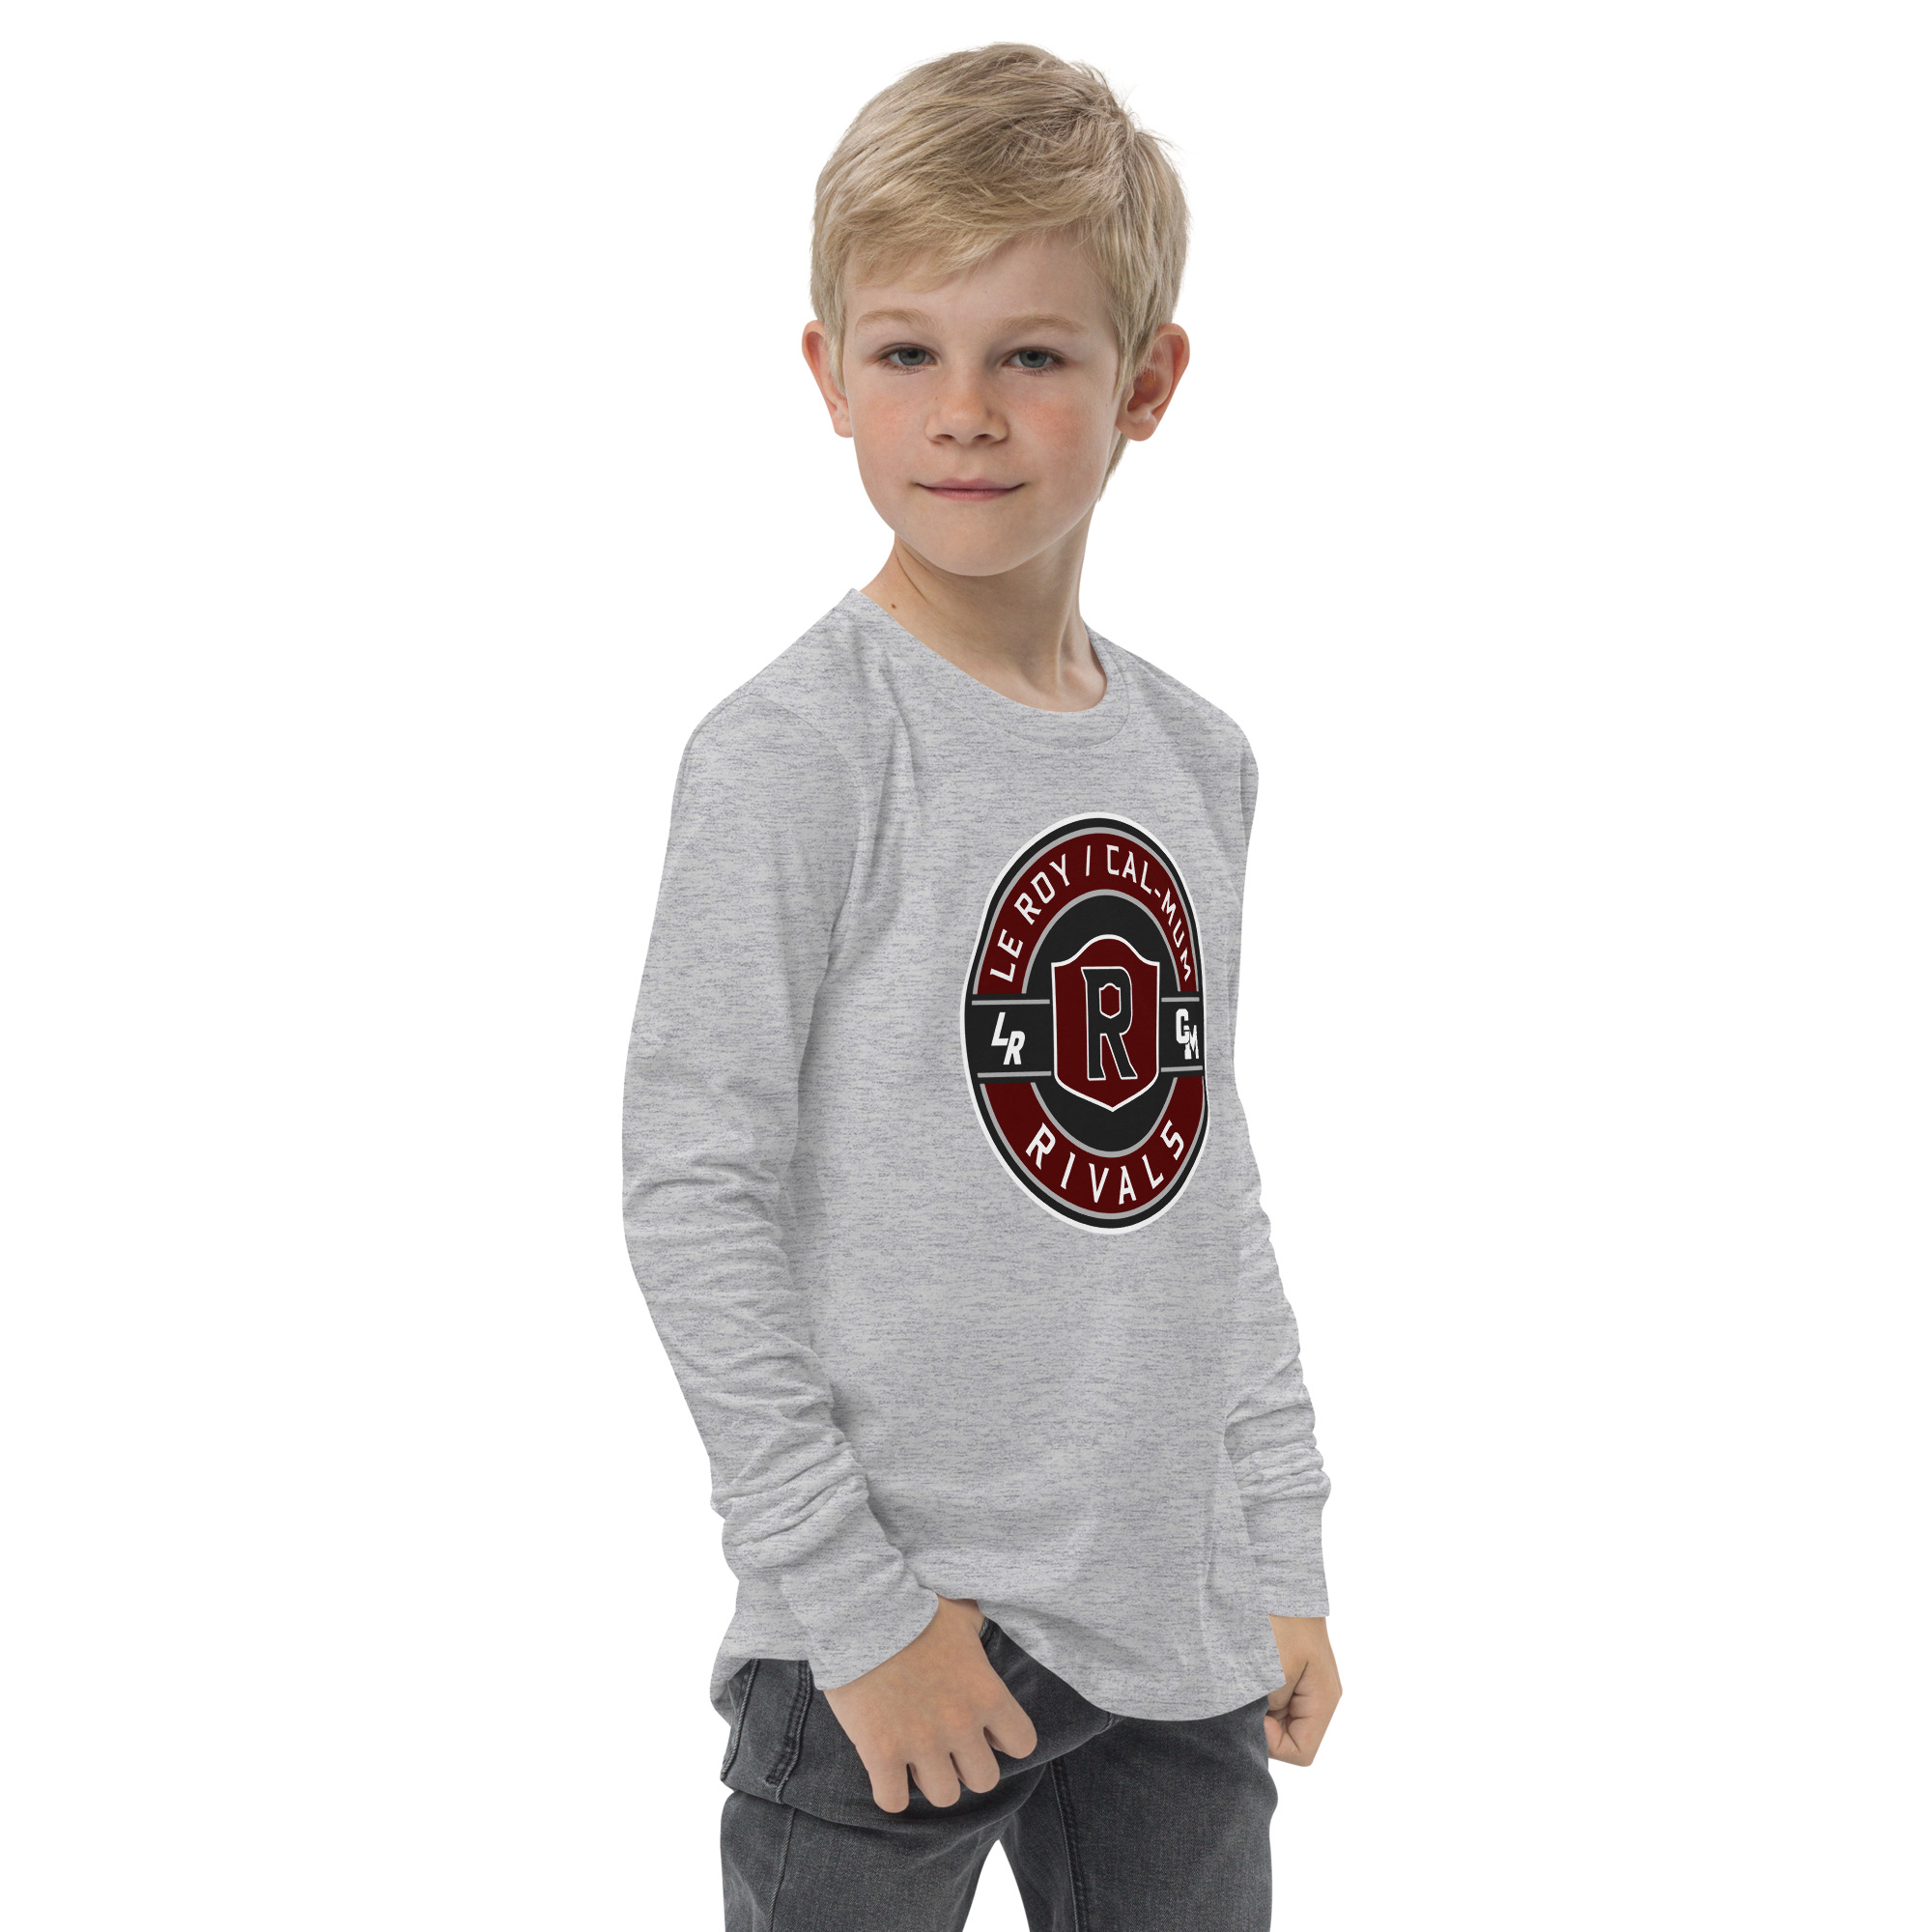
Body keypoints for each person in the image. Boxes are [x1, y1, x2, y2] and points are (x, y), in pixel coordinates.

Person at [623, 43, 1341, 1931]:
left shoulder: (1197, 760)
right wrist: (858, 1614)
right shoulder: (794, 753)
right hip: (894, 1636)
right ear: (826, 374)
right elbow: (691, 1193)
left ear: (1145, 382)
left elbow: (1199, 1174)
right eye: (906, 351)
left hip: (1174, 1635)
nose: (962, 412)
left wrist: (1276, 1542)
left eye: (1029, 353)